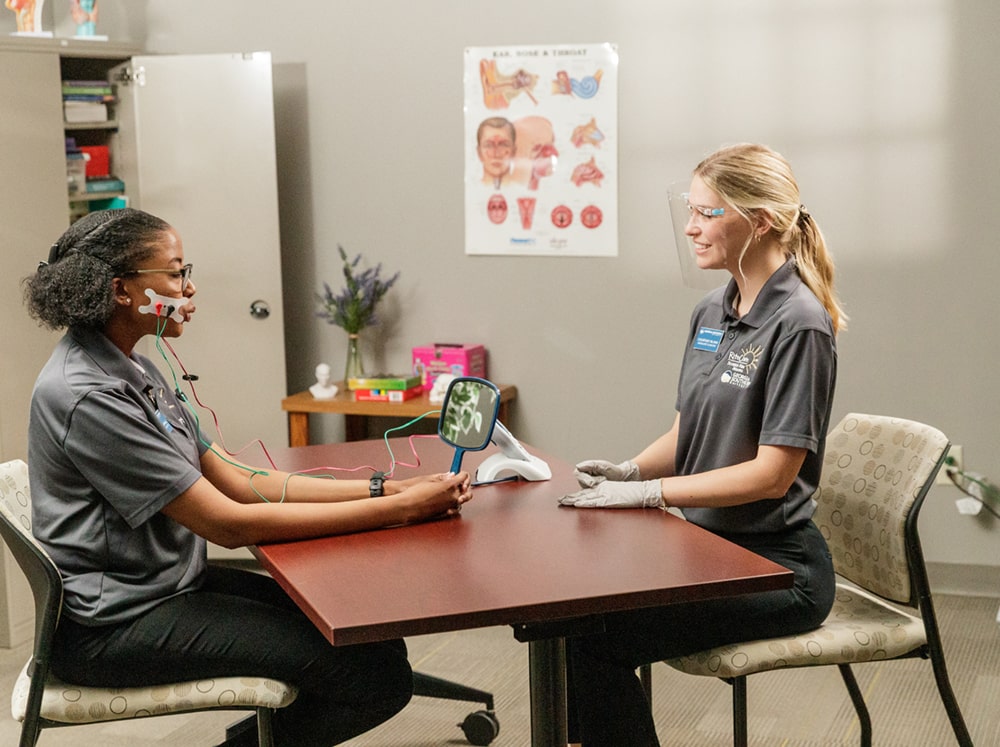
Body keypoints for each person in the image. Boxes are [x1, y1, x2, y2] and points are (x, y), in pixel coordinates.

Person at [22, 208, 473, 747]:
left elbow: (237, 477)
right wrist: (401, 511)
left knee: (371, 642)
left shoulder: (133, 365)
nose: (190, 289)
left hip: (162, 588)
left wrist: (386, 488)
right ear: (122, 290)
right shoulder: (88, 394)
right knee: (374, 676)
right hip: (112, 627)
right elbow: (229, 525)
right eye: (177, 273)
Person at [558, 143, 847, 746]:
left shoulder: (799, 323)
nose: (690, 227)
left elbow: (771, 475)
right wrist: (629, 471)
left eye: (706, 213)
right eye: (688, 211)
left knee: (596, 640)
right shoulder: (712, 311)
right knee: (571, 614)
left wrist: (650, 494)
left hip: (777, 568)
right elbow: (686, 432)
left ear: (758, 221)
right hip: (709, 549)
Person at [476, 116, 516, 188]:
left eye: (503, 145)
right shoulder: (471, 190)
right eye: (489, 145)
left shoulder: (526, 192)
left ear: (514, 151)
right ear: (479, 152)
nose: (496, 154)